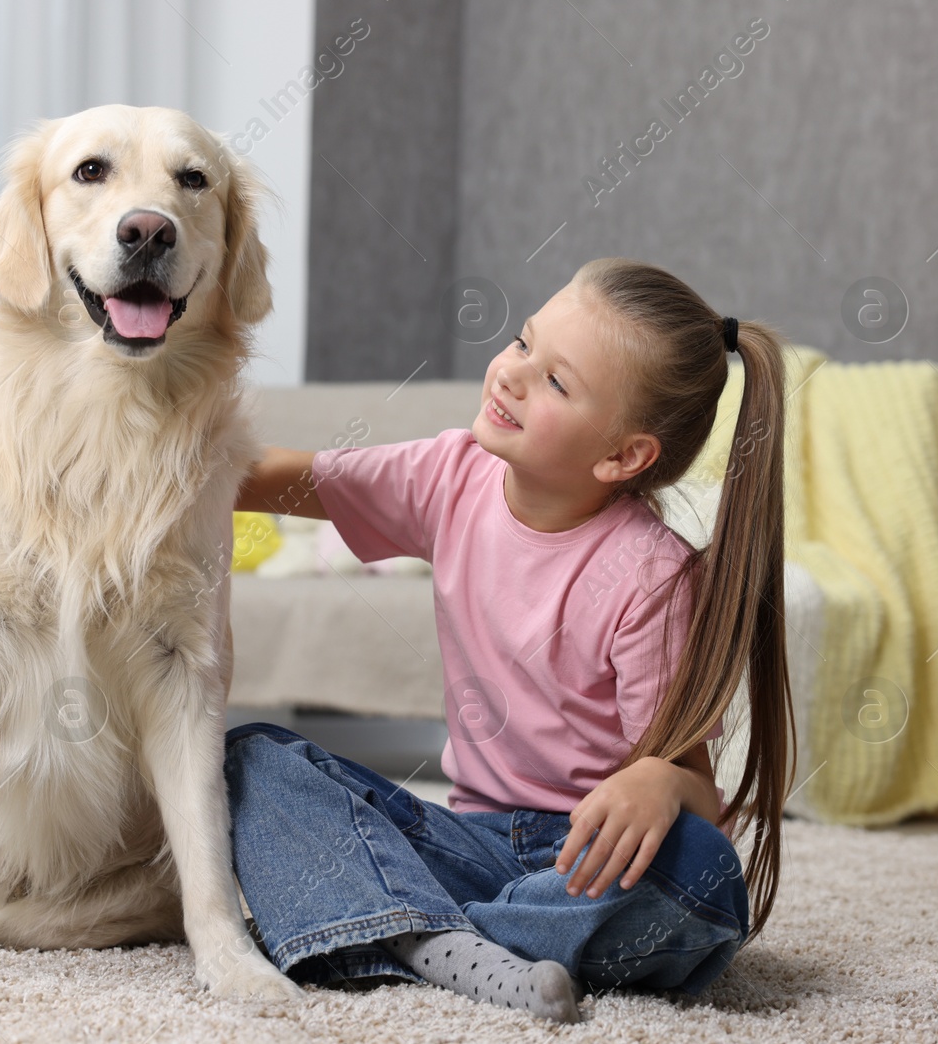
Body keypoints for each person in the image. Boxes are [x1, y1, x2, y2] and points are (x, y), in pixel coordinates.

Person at [226, 257, 795, 1023]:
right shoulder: (450, 476)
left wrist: (658, 779)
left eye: (557, 381)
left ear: (623, 455)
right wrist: (139, 458)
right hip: (467, 845)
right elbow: (280, 480)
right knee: (255, 758)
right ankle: (457, 941)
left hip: (584, 864)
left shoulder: (649, 576)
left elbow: (700, 794)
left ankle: (402, 933)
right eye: (523, 342)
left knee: (704, 874)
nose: (512, 375)